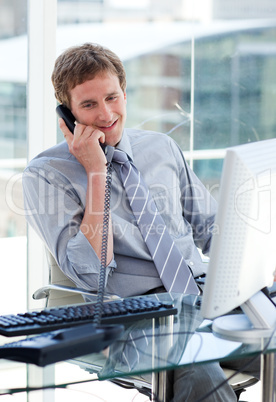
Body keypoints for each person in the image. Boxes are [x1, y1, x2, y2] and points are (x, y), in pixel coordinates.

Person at [22, 43, 256, 401]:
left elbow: (211, 227)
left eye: (112, 98)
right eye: (88, 105)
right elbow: (91, 272)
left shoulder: (161, 147)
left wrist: (257, 262)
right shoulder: (46, 175)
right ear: (67, 114)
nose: (106, 113)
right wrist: (96, 171)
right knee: (197, 366)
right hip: (126, 316)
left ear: (125, 94)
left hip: (202, 297)